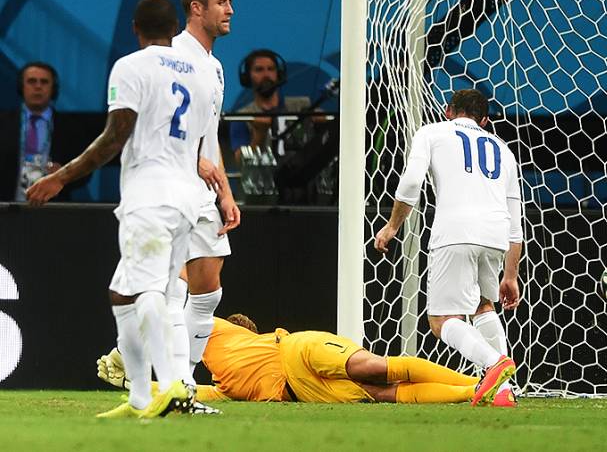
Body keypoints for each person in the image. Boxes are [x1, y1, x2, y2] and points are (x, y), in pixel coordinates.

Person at [28, 0, 228, 418]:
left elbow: (115, 137)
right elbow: (199, 142)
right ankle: (139, 396)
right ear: (173, 28)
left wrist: (60, 177)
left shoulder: (131, 66)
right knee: (123, 292)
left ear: (135, 28)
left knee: (150, 289)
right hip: (186, 197)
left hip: (150, 195)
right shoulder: (199, 71)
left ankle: (174, 384)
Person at [373, 88, 523, 408]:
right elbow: (515, 220)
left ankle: (495, 364)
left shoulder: (432, 132)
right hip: (496, 236)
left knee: (442, 321)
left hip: (456, 231)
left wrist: (392, 226)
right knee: (484, 305)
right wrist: (511, 274)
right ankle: (505, 390)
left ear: (447, 110)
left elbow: (412, 182)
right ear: (484, 120)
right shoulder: (503, 150)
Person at [97, 314, 480, 404]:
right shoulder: (224, 388)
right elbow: (181, 395)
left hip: (297, 349)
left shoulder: (221, 331)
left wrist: (128, 350)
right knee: (380, 394)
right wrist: (133, 381)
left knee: (372, 367)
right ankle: (476, 394)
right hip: (301, 391)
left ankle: (475, 381)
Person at [170, 0, 241, 400]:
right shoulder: (172, 56)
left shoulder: (214, 66)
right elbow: (156, 122)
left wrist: (226, 192)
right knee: (172, 281)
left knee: (208, 289)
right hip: (172, 183)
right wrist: (192, 158)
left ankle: (186, 379)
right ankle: (171, 379)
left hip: (203, 190)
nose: (230, 10)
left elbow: (209, 133)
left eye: (230, 2)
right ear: (197, 9)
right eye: (222, 2)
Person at [0, 62, 89, 201]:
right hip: (7, 208)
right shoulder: (3, 123)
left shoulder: (71, 128)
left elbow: (86, 171)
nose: (38, 86)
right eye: (31, 81)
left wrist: (66, 176)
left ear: (53, 88)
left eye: (44, 82)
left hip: (54, 210)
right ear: (21, 87)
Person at [228, 49, 311, 163]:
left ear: (279, 74)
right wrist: (259, 134)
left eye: (271, 69)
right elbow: (241, 162)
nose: (266, 75)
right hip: (263, 178)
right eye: (259, 70)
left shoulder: (301, 106)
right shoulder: (242, 117)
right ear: (247, 77)